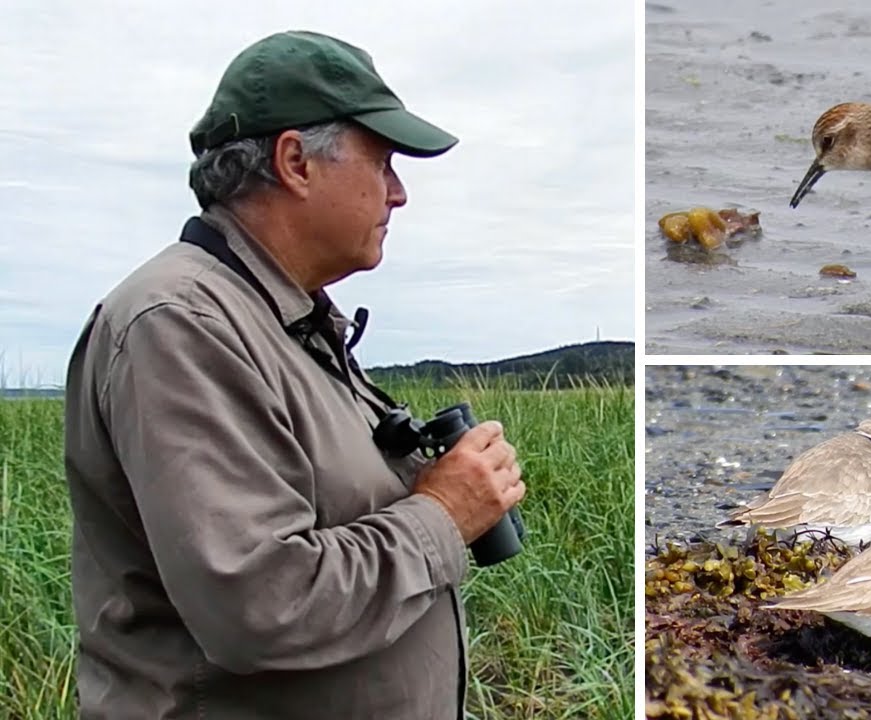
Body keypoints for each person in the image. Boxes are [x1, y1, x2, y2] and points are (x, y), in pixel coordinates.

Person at [62, 30, 525, 720]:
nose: (398, 193)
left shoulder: (283, 315)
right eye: (384, 162)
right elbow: (261, 604)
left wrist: (431, 488)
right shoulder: (181, 325)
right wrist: (444, 514)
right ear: (295, 163)